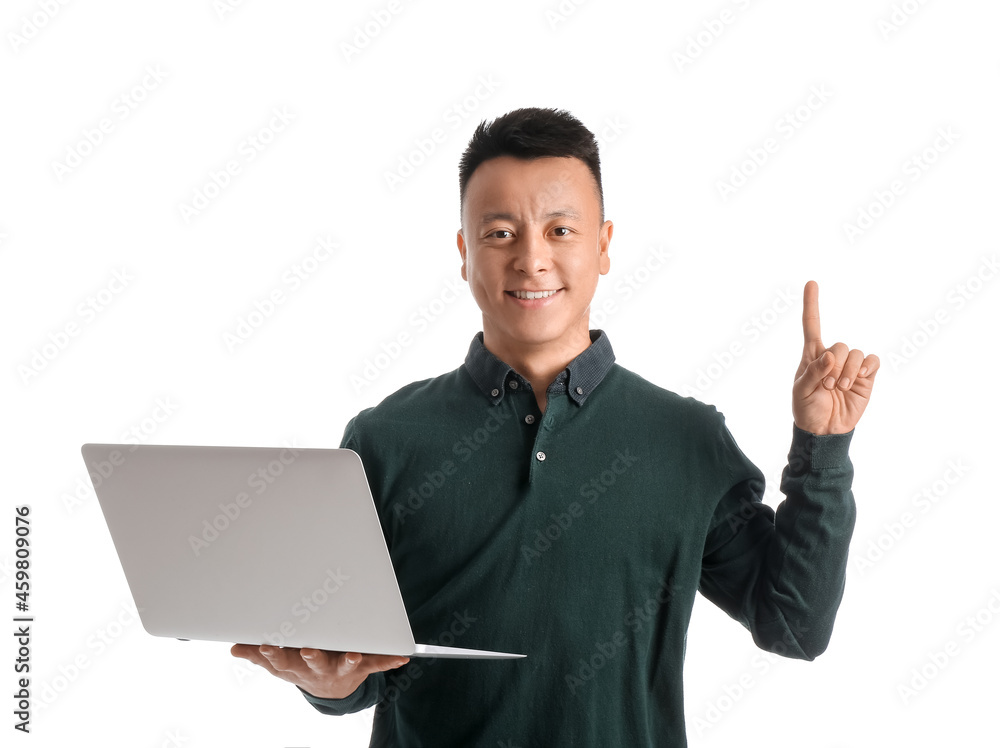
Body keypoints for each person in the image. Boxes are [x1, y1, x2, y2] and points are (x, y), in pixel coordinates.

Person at [231, 107, 879, 746]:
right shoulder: (386, 440)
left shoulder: (686, 440)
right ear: (464, 253)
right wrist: (328, 683)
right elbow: (361, 674)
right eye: (500, 233)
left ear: (603, 246)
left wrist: (822, 449)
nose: (531, 259)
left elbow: (794, 626)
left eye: (561, 230)